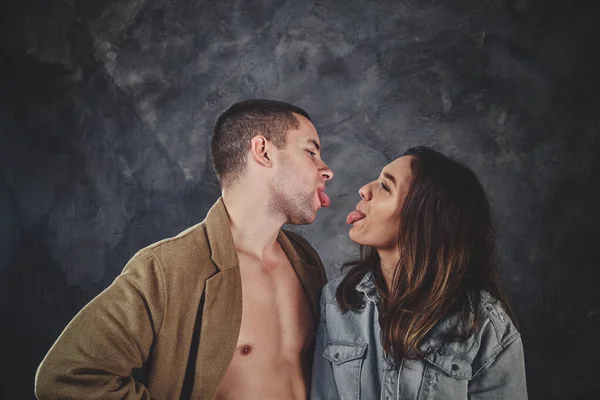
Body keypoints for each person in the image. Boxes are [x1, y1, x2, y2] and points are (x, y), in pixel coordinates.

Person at [35, 99, 334, 400]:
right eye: (311, 152)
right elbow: (67, 376)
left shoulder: (305, 260)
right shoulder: (166, 269)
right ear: (263, 151)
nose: (326, 171)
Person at [311, 146, 528, 399]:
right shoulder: (337, 301)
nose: (364, 189)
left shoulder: (487, 327)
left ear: (423, 220)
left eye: (385, 186)